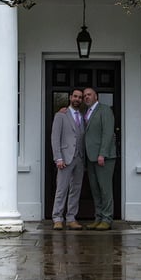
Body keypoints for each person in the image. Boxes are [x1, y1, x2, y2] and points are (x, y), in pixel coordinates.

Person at [83, 87, 116, 231]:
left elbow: (108, 133)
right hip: (90, 158)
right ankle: (98, 218)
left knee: (105, 189)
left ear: (96, 96)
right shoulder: (86, 113)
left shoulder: (105, 110)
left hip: (104, 158)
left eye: (89, 95)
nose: (86, 97)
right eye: (85, 96)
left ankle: (107, 219)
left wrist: (102, 154)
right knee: (95, 190)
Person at [51, 88, 85, 230]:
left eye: (80, 97)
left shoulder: (83, 116)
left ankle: (71, 218)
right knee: (61, 189)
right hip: (64, 158)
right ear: (70, 97)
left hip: (79, 158)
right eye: (75, 96)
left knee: (75, 190)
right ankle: (57, 218)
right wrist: (58, 157)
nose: (77, 99)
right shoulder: (61, 115)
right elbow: (55, 137)